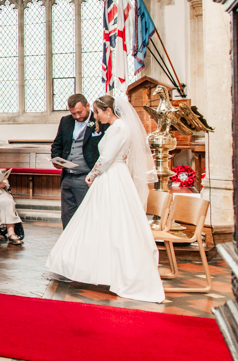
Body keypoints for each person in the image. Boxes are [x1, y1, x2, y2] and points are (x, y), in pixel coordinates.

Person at [45, 94, 164, 303]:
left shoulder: (118, 128)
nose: (97, 118)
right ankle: (96, 267)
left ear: (108, 111)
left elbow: (107, 157)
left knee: (111, 223)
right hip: (109, 176)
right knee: (98, 222)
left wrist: (91, 175)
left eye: (98, 113)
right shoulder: (118, 127)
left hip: (111, 177)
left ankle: (113, 270)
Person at [51, 93, 109, 228]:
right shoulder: (65, 121)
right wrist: (56, 159)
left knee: (87, 214)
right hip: (67, 177)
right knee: (67, 215)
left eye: (79, 112)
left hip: (86, 176)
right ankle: (69, 246)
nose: (77, 116)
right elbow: (57, 144)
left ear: (88, 106)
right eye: (73, 113)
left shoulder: (99, 121)